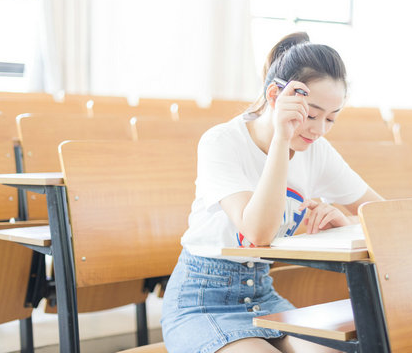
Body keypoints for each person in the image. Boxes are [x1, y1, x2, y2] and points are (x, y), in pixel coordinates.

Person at [161, 32, 384, 353]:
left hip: (263, 296)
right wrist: (281, 139)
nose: (319, 129)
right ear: (275, 96)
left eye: (331, 118)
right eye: (310, 115)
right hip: (201, 301)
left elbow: (385, 219)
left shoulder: (317, 150)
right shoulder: (221, 141)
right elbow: (257, 233)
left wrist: (348, 221)